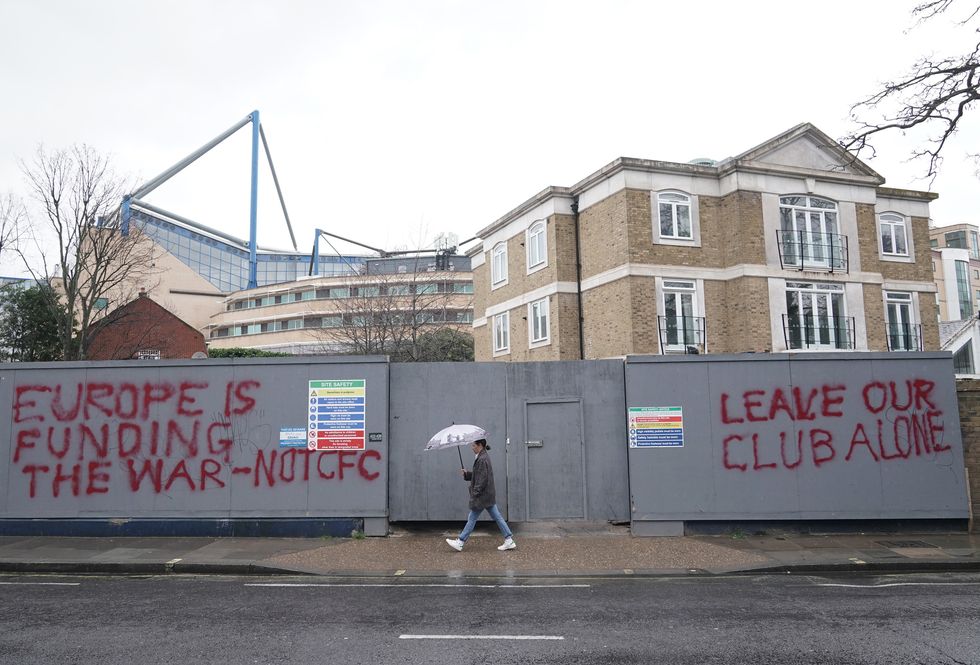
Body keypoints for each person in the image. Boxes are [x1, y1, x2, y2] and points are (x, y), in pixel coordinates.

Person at [445, 438, 516, 551]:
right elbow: (479, 474)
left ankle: (460, 541)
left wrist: (475, 493)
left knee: (472, 517)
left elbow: (482, 479)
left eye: (473, 445)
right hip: (487, 495)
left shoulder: (482, 459)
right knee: (497, 517)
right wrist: (467, 474)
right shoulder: (482, 457)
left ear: (480, 445)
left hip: (483, 495)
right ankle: (509, 539)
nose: (472, 447)